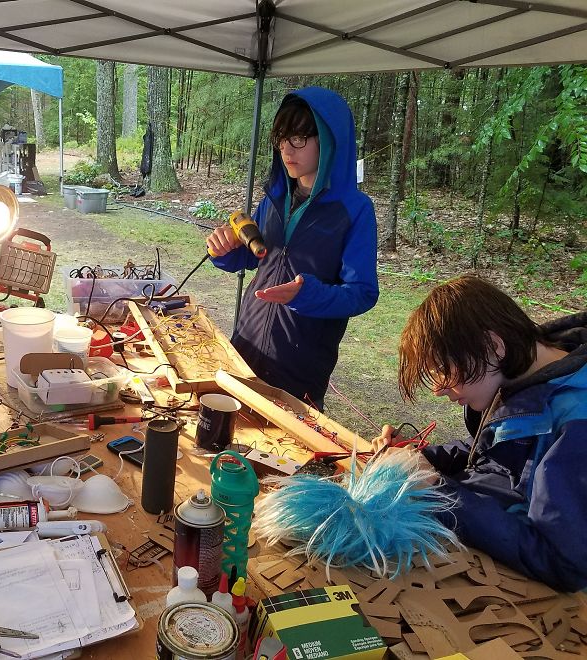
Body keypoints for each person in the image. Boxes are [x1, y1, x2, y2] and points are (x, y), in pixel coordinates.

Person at [373, 276, 587, 592]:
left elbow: (561, 563)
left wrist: (438, 490)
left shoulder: (576, 423)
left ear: (493, 346)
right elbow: (500, 453)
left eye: (444, 370)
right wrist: (418, 457)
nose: (439, 389)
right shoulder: (530, 373)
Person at [207, 87, 378, 410]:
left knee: (282, 442)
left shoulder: (354, 210)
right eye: (282, 138)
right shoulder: (276, 197)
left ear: (328, 141)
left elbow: (362, 293)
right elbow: (256, 256)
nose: (286, 149)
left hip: (300, 365)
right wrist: (224, 250)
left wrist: (305, 295)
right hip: (246, 344)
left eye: (299, 138)